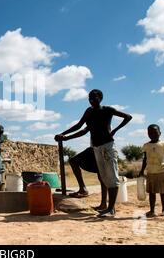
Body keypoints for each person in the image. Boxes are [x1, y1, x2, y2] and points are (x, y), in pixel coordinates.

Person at [55, 89, 132, 217]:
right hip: (96, 148)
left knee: (111, 178)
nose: (91, 99)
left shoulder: (107, 110)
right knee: (103, 176)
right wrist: (64, 135)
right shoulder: (89, 112)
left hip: (107, 147)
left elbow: (128, 117)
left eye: (94, 97)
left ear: (100, 98)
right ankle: (105, 206)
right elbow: (80, 127)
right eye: (89, 97)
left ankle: (111, 208)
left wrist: (115, 131)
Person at [138, 124, 164, 217]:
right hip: (151, 172)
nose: (153, 134)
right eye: (150, 133)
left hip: (162, 171)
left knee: (163, 192)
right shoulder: (146, 146)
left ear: (160, 133)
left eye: (155, 132)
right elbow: (145, 159)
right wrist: (142, 170)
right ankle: (152, 211)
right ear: (147, 134)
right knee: (151, 193)